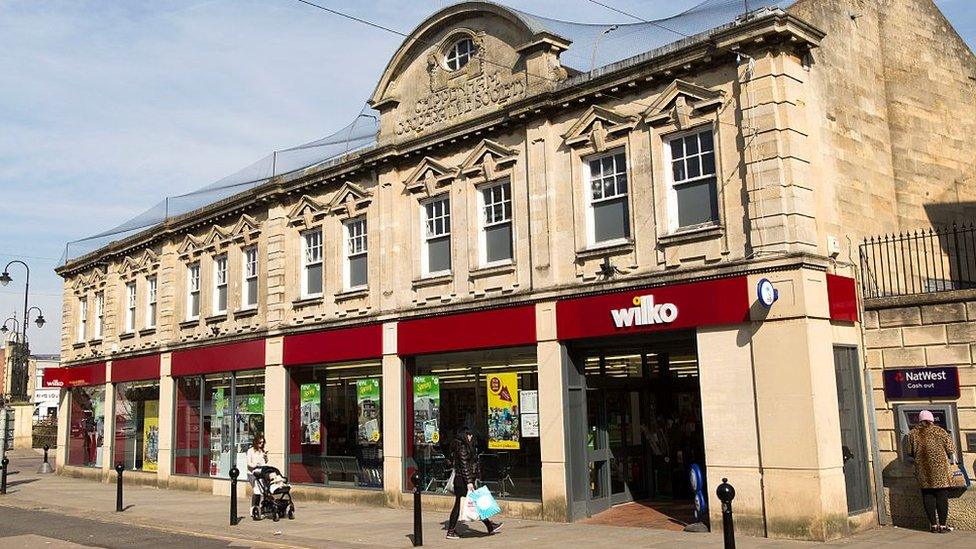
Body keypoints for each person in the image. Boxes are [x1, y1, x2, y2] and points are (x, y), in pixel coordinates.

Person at [445, 427, 502, 540]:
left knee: (473, 502)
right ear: (466, 435)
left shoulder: (459, 445)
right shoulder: (463, 447)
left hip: (461, 479)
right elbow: (464, 465)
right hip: (463, 480)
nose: (471, 438)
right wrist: (469, 482)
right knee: (475, 502)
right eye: (470, 435)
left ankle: (490, 526)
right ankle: (451, 531)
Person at [908, 410, 955, 533]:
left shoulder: (912, 433)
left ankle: (933, 525)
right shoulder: (940, 431)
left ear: (919, 420)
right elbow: (951, 449)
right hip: (941, 470)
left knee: (927, 496)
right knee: (942, 497)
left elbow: (910, 452)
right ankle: (943, 526)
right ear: (932, 420)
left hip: (923, 469)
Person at [246, 435, 269, 520]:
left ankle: (260, 508)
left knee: (262, 490)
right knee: (257, 490)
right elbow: (249, 463)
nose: (261, 444)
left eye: (263, 442)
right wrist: (255, 465)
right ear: (256, 442)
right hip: (252, 473)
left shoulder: (262, 451)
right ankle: (253, 509)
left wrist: (265, 457)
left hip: (261, 473)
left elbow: (265, 462)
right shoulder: (250, 451)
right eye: (260, 442)